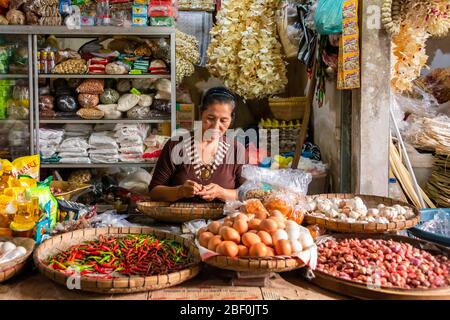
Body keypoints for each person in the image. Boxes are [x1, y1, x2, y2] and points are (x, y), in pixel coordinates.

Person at [149, 87, 246, 202]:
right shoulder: (176, 145)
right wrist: (180, 191)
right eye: (210, 118)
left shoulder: (236, 150)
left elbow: (246, 193)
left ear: (231, 120)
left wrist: (221, 193)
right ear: (201, 113)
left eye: (223, 120)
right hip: (179, 218)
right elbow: (154, 192)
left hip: (223, 220)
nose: (215, 126)